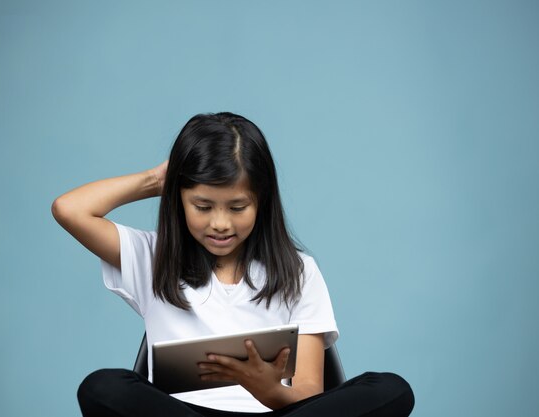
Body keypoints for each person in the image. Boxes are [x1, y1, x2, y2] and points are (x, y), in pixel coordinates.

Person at [52, 112, 414, 416]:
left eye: (237, 207)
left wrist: (269, 391)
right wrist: (156, 179)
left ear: (261, 202)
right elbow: (70, 209)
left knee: (391, 389)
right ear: (178, 199)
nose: (221, 223)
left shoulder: (298, 271)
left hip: (277, 412)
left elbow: (308, 393)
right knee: (103, 387)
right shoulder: (153, 256)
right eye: (203, 206)